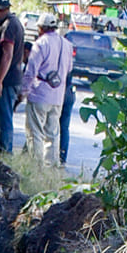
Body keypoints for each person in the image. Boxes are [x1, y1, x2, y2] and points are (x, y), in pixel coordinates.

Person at [21, 12, 69, 166]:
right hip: (58, 96)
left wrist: (23, 91)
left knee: (35, 132)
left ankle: (37, 167)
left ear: (41, 28)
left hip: (39, 94)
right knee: (53, 135)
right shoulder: (67, 45)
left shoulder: (40, 44)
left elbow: (31, 71)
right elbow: (68, 69)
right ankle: (52, 167)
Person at [0, 0, 25, 154]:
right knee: (4, 117)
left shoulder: (9, 26)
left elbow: (8, 55)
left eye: (2, 9)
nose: (0, 12)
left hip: (8, 81)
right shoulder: (14, 23)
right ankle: (3, 150)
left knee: (4, 119)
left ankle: (5, 153)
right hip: (12, 79)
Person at [59, 37, 78, 165]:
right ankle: (62, 155)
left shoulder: (54, 57)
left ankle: (55, 154)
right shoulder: (68, 58)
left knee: (51, 124)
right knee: (64, 127)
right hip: (70, 91)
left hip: (59, 92)